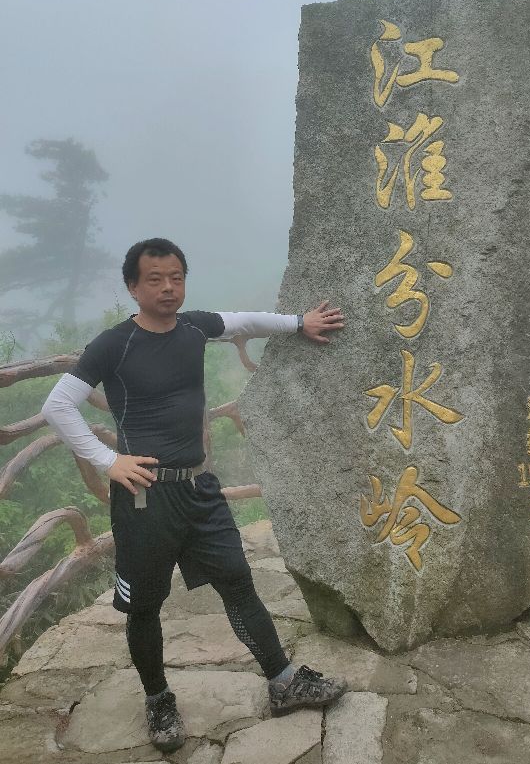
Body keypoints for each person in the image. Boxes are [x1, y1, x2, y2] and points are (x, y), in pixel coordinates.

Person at [42, 237, 347, 753]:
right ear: (134, 286)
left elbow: (245, 321)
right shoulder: (114, 344)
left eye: (177, 277)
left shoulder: (191, 328)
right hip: (144, 499)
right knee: (146, 607)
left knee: (238, 582)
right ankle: (159, 699)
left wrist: (300, 323)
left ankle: (283, 681)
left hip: (199, 489)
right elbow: (58, 406)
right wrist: (108, 462)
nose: (168, 287)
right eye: (155, 279)